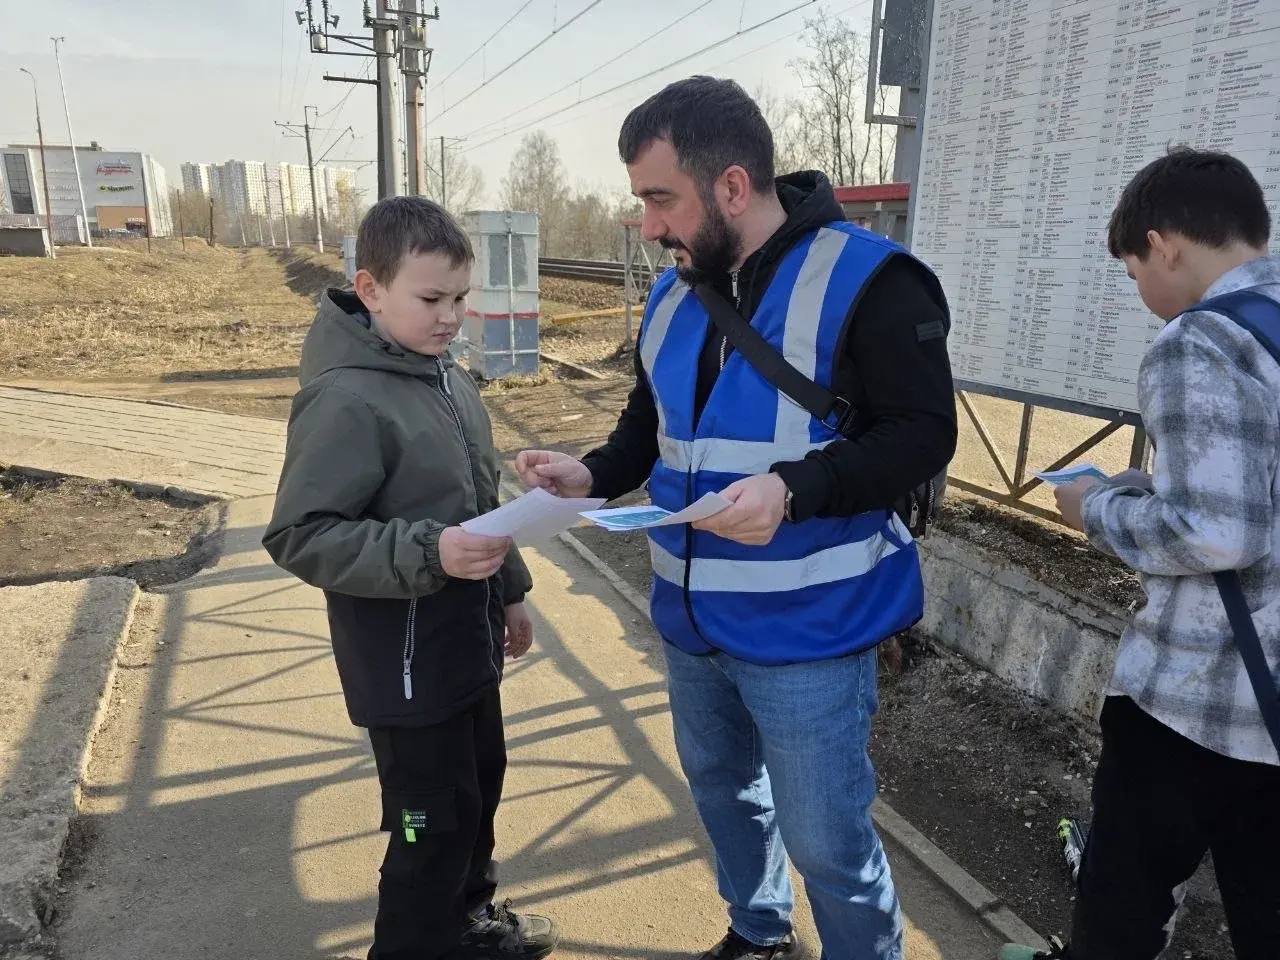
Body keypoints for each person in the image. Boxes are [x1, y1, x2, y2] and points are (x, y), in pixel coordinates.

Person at [516, 77, 956, 960]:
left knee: (828, 842)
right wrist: (592, 473)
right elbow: (652, 427)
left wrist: (796, 490)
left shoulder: (873, 280)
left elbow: (924, 434)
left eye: (659, 199)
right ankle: (759, 933)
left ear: (730, 187)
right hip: (689, 620)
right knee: (724, 795)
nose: (647, 226)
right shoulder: (675, 293)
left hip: (810, 631)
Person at [262, 196, 559, 960]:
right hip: (402, 669)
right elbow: (302, 534)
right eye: (431, 300)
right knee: (427, 826)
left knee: (479, 794)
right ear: (370, 290)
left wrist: (512, 591)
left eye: (460, 298)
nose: (451, 317)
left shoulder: (447, 380)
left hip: (465, 649)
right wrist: (430, 552)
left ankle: (467, 925)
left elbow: (476, 500)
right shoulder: (346, 398)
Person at [1004, 149, 1280, 960]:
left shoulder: (1197, 344)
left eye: (1133, 276)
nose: (1144, 299)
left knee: (1121, 912)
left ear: (1164, 245)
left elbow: (1216, 534)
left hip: (1200, 703)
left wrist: (1102, 508)